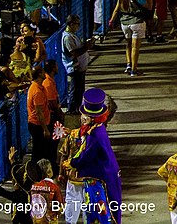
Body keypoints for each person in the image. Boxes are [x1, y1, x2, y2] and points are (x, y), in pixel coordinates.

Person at [71, 89, 122, 224]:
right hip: (106, 175)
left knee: (98, 212)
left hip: (100, 180)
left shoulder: (94, 134)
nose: (82, 117)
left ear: (91, 117)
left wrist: (72, 162)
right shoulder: (98, 129)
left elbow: (86, 156)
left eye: (84, 115)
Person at [60, 14, 92, 115]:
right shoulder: (67, 38)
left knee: (79, 91)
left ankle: (77, 109)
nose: (78, 26)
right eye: (77, 24)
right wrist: (86, 47)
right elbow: (74, 53)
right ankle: (72, 111)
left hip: (80, 68)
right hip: (75, 69)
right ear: (72, 24)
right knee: (74, 91)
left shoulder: (73, 35)